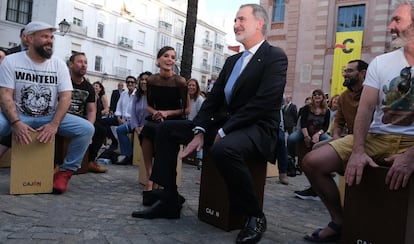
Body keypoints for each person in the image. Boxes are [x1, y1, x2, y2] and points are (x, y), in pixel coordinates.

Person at [131, 4, 287, 244]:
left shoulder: (274, 57)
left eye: (241, 19)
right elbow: (213, 100)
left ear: (260, 23)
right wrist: (200, 129)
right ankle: (170, 199)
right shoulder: (232, 60)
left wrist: (224, 130)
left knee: (225, 149)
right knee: (164, 129)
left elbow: (263, 103)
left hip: (257, 127)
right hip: (225, 123)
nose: (236, 24)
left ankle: (255, 215)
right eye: (235, 20)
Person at [302, 3, 414, 242]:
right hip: (378, 137)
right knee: (313, 162)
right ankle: (339, 221)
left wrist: (412, 155)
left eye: (397, 20)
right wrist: (359, 149)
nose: (390, 26)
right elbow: (366, 108)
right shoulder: (381, 63)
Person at [0, 21, 94, 194]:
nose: (50, 40)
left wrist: (54, 124)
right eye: (44, 36)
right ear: (29, 38)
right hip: (18, 114)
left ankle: (65, 172)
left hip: (49, 116)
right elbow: (5, 94)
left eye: (51, 37)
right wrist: (15, 122)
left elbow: (66, 96)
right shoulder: (11, 61)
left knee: (86, 128)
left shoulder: (58, 65)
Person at [295, 60, 369, 201]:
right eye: (344, 71)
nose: (345, 74)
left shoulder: (371, 93)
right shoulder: (344, 97)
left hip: (367, 139)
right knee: (315, 148)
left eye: (349, 71)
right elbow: (338, 123)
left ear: (362, 73)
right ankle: (316, 189)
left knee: (317, 151)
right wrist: (335, 137)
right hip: (349, 138)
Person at [139, 46, 190, 206]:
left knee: (159, 131)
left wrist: (167, 113)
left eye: (173, 57)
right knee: (148, 129)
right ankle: (150, 179)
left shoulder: (180, 81)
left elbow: (186, 109)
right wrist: (156, 112)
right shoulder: (152, 80)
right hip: (157, 117)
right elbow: (148, 106)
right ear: (158, 60)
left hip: (174, 119)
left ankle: (160, 182)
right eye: (166, 56)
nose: (170, 60)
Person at [66, 52, 108, 173]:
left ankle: (90, 161)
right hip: (63, 117)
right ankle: (56, 163)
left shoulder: (89, 87)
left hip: (80, 119)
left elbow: (91, 110)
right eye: (80, 62)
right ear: (71, 64)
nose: (83, 65)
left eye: (85, 62)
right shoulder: (64, 81)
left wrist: (90, 128)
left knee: (100, 130)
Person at [115, 71, 151, 165]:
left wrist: (144, 126)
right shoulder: (137, 95)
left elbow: (153, 114)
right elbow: (133, 113)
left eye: (146, 80)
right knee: (119, 130)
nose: (143, 82)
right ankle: (127, 154)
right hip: (134, 124)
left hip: (148, 125)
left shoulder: (153, 96)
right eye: (142, 80)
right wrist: (136, 126)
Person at [102, 76, 136, 151]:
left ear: (135, 84)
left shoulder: (138, 95)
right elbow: (119, 106)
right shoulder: (124, 93)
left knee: (120, 130)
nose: (130, 83)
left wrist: (127, 121)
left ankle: (127, 153)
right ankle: (114, 141)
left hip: (131, 122)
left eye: (132, 82)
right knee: (102, 122)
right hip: (121, 119)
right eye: (128, 82)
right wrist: (118, 118)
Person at [187, 78, 205, 168]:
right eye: (189, 85)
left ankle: (199, 159)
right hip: (188, 123)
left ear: (197, 87)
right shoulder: (186, 98)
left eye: (193, 85)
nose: (191, 87)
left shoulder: (199, 99)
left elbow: (201, 114)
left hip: (196, 124)